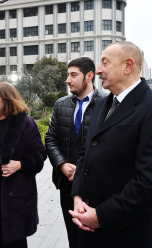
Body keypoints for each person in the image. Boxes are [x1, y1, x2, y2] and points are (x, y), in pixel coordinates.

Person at [69, 41, 152, 248]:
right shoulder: (103, 103)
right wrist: (77, 196)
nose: (99, 70)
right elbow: (86, 152)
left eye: (105, 63)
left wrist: (101, 216)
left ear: (128, 66)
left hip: (126, 233)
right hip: (87, 227)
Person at [0, 82, 47, 248]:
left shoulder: (25, 123)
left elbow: (40, 155)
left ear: (8, 100)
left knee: (15, 241)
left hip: (15, 195)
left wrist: (20, 164)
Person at [45, 57, 105, 248]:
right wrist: (61, 164)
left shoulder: (107, 103)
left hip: (96, 185)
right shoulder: (61, 104)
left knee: (96, 237)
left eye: (73, 75)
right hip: (67, 184)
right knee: (74, 236)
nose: (67, 80)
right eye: (67, 75)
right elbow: (50, 138)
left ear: (89, 76)